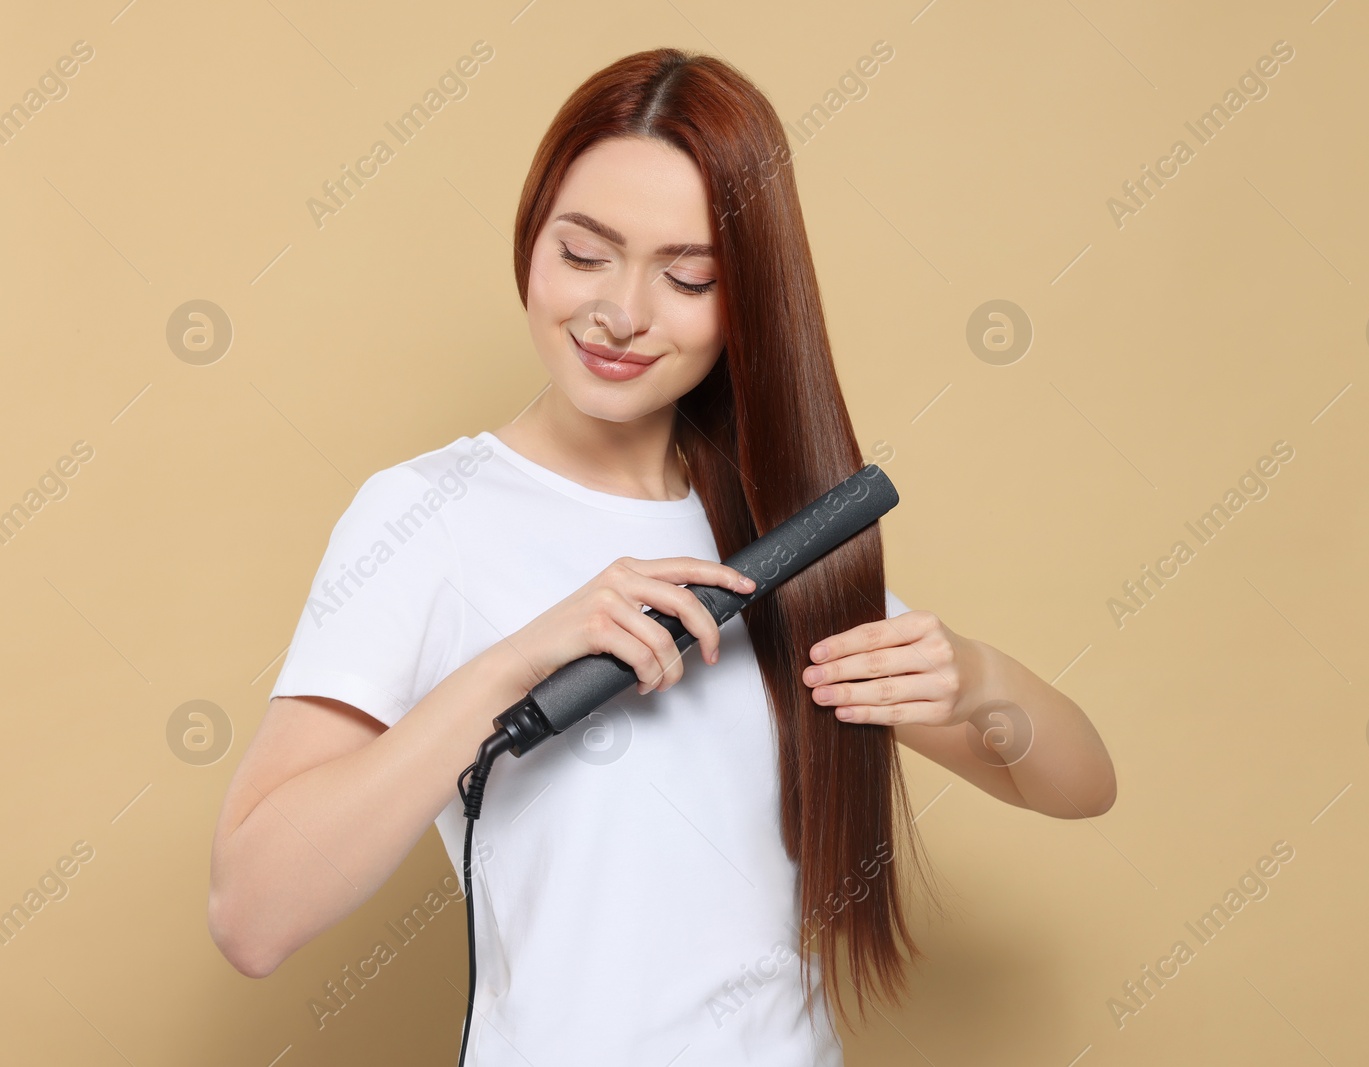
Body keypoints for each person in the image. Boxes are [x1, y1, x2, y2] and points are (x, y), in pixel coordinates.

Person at [207, 47, 1116, 1066]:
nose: (622, 312)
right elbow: (254, 911)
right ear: (529, 239)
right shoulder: (425, 516)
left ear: (747, 301)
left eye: (688, 276)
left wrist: (976, 677)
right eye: (584, 254)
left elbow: (1078, 783)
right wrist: (515, 663)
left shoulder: (770, 539)